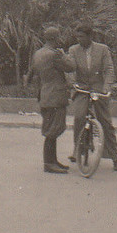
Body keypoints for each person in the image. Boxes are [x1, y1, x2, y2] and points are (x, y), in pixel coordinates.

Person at [68, 22, 117, 171]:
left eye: (82, 36)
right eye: (77, 36)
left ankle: (115, 157)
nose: (79, 39)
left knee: (105, 122)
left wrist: (106, 87)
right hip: (82, 88)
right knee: (79, 117)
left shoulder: (102, 49)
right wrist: (73, 83)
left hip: (98, 89)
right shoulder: (73, 50)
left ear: (90, 36)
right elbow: (70, 69)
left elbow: (109, 68)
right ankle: (77, 149)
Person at [26, 26, 76, 174]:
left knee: (50, 129)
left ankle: (52, 161)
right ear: (55, 38)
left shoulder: (38, 53)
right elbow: (70, 67)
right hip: (55, 95)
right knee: (53, 130)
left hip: (45, 94)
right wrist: (64, 55)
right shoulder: (54, 54)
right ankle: (49, 163)